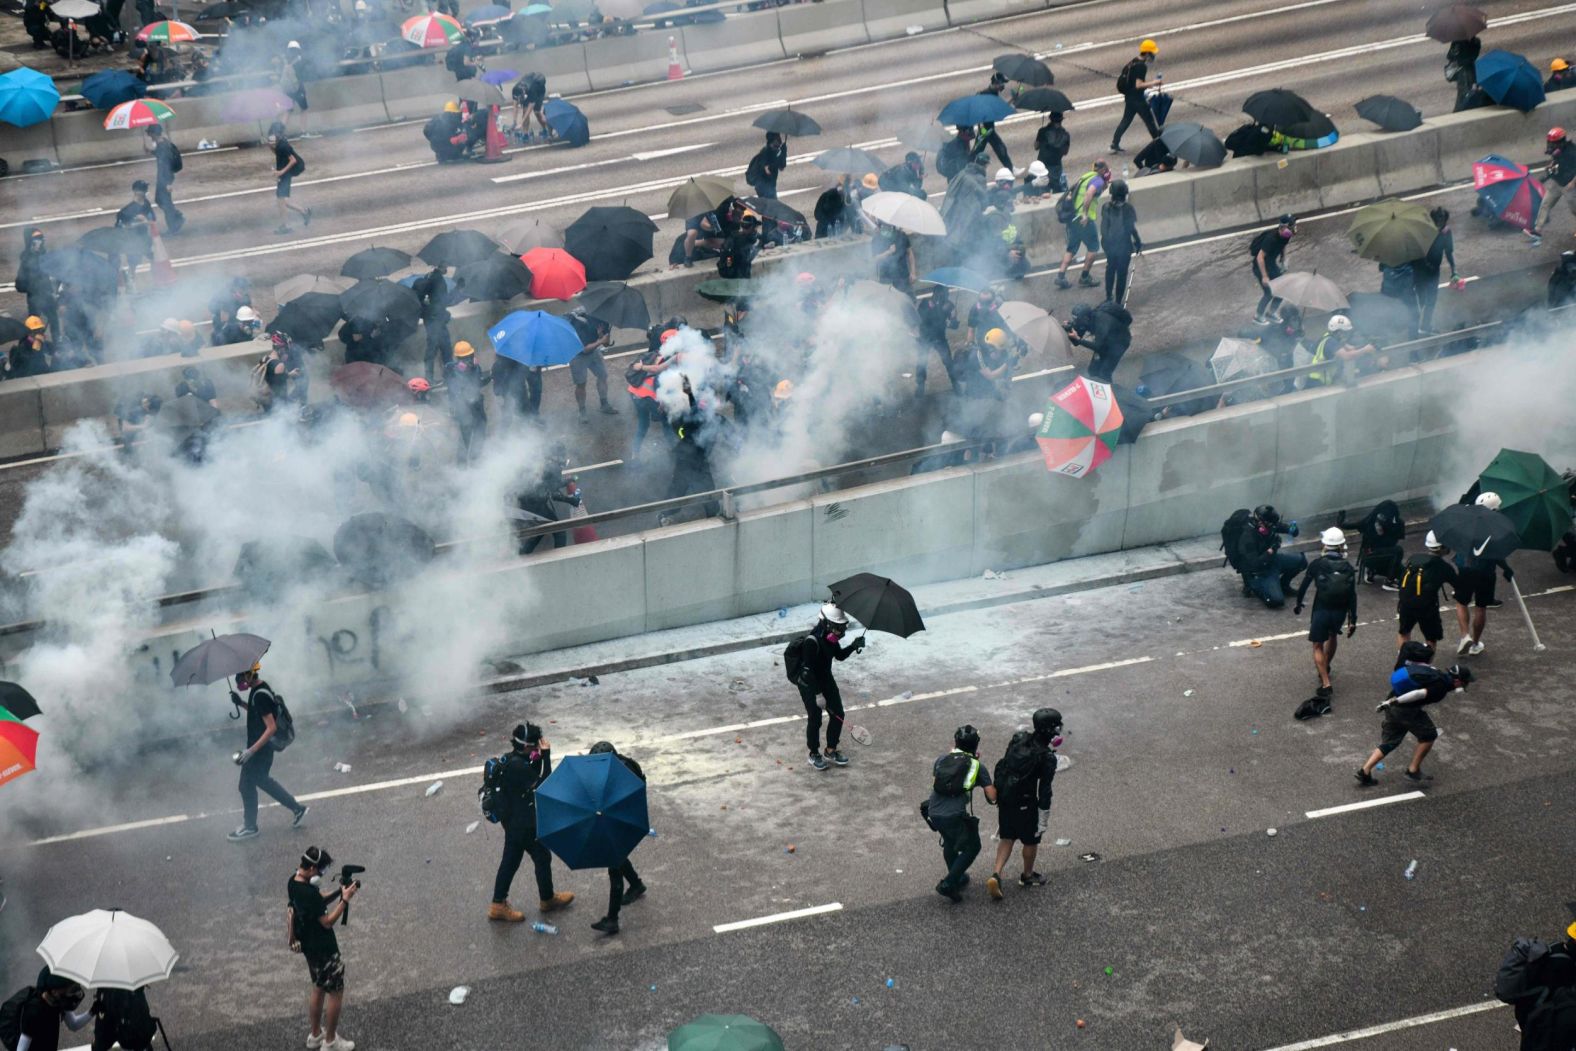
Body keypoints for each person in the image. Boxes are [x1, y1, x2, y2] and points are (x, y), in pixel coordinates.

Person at [490, 722, 575, 921]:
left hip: (513, 821)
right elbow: (544, 783)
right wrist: (546, 755)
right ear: (527, 746)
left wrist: (537, 758)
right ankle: (546, 899)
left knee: (511, 862)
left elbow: (532, 776)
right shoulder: (518, 766)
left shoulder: (513, 759)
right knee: (541, 856)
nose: (537, 748)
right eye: (535, 746)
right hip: (523, 824)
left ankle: (498, 904)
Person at [287, 845, 358, 1051]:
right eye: (321, 870)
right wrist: (344, 900)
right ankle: (330, 1041)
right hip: (324, 948)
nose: (321, 874)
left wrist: (338, 891)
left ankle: (316, 1035)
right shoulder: (308, 892)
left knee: (318, 987)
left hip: (310, 949)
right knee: (336, 991)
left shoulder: (293, 883)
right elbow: (326, 921)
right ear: (311, 868)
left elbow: (317, 901)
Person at [1355, 662, 1472, 785]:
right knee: (1429, 735)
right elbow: (1418, 694)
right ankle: (1413, 770)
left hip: (1392, 701)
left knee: (1390, 741)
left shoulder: (1436, 673)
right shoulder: (1440, 687)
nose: (1465, 685)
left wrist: (1389, 702)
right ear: (1458, 681)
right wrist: (1393, 702)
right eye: (1465, 682)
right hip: (1403, 708)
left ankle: (1365, 771)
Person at [228, 662, 308, 841]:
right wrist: (240, 703)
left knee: (251, 784)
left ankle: (251, 826)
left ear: (249, 675)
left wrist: (251, 751)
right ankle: (296, 809)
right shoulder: (259, 690)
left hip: (260, 750)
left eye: (240, 676)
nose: (238, 680)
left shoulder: (260, 695)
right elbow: (258, 713)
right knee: (255, 783)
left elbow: (271, 727)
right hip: (260, 749)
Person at [985, 708, 1060, 900]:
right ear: (1050, 730)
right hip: (1026, 804)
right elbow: (1044, 789)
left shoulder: (1018, 739)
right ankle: (1027, 875)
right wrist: (1043, 818)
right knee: (1030, 841)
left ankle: (996, 873)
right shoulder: (1046, 757)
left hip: (1006, 799)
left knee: (1007, 838)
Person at [925, 724, 997, 902]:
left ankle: (958, 876)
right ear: (976, 745)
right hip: (954, 815)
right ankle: (948, 883)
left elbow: (939, 781)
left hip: (934, 811)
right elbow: (992, 796)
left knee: (949, 842)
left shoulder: (942, 759)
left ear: (955, 742)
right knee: (973, 846)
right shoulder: (977, 766)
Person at [585, 741, 648, 935]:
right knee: (618, 858)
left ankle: (612, 919)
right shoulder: (622, 766)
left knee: (614, 865)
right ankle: (636, 885)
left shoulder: (621, 775)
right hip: (622, 818)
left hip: (621, 821)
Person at [793, 603, 864, 771]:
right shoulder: (812, 642)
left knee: (838, 713)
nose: (839, 632)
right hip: (810, 684)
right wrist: (818, 694)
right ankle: (814, 753)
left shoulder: (831, 639)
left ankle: (831, 750)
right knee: (815, 718)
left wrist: (854, 646)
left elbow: (838, 656)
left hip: (826, 679)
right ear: (825, 624)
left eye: (841, 628)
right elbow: (807, 672)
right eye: (836, 628)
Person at [1293, 528, 1358, 698]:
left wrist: (1299, 603)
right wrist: (1353, 620)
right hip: (1340, 612)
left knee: (1317, 645)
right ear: (1341, 545)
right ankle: (1326, 666)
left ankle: (1326, 682)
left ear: (1325, 545)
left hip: (1321, 610)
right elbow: (1352, 595)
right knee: (1333, 636)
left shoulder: (1317, 564)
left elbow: (1303, 587)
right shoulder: (1348, 567)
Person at [1454, 490, 1515, 656]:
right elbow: (1497, 554)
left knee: (1461, 602)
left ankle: (1464, 635)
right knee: (1481, 608)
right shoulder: (1497, 526)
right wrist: (1507, 569)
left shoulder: (1465, 520)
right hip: (1486, 571)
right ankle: (1474, 643)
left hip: (1465, 567)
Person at [1396, 531, 1458, 654]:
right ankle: (1425, 666)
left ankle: (1403, 660)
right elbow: (1459, 585)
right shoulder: (1443, 567)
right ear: (1442, 547)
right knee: (1431, 639)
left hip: (1405, 603)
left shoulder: (1413, 559)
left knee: (1404, 632)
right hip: (1427, 607)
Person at [1233, 504, 1305, 608]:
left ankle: (1283, 585)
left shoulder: (1269, 525)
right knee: (1276, 601)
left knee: (1301, 561)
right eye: (1269, 526)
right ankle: (1254, 586)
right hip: (1259, 571)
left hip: (1272, 561)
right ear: (1260, 523)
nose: (1272, 527)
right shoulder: (1247, 537)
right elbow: (1254, 564)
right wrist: (1271, 550)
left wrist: (1293, 529)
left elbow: (1287, 529)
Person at [1054, 160, 1110, 289]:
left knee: (1071, 248)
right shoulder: (1097, 180)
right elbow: (1089, 193)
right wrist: (1085, 214)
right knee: (1093, 248)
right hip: (1084, 220)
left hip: (1072, 218)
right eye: (1106, 170)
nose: (1107, 173)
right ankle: (1084, 277)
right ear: (1102, 171)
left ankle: (1060, 276)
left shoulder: (1086, 177)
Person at [8, 970, 90, 1051]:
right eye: (69, 990)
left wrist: (93, 1011)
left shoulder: (59, 1002)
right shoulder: (34, 1011)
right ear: (54, 992)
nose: (72, 994)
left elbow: (73, 1024)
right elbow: (21, 1048)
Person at [1111, 39, 1163, 152]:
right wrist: (1154, 83)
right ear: (1148, 53)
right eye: (1152, 53)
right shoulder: (1141, 67)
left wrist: (1148, 86)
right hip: (1138, 99)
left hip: (1129, 97)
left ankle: (1114, 143)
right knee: (1149, 121)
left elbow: (1133, 82)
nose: (1153, 55)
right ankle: (1159, 144)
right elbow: (1138, 85)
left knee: (1126, 120)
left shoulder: (1133, 62)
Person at [567, 311, 618, 422]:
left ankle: (604, 404)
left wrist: (601, 336)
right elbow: (584, 349)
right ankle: (582, 411)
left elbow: (605, 343)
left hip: (594, 352)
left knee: (603, 376)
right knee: (581, 384)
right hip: (577, 355)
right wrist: (600, 341)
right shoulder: (579, 322)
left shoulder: (604, 321)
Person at [1412, 206, 1456, 334]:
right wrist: (1425, 264)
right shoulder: (1425, 232)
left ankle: (1425, 326)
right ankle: (1414, 327)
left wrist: (1454, 270)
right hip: (1420, 270)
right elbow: (1418, 251)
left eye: (1442, 221)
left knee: (1431, 300)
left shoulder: (1446, 233)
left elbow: (1449, 252)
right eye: (1438, 220)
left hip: (1434, 271)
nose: (1440, 223)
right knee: (1421, 299)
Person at [444, 341, 489, 464]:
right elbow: (454, 388)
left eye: (470, 357)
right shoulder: (452, 370)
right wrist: (461, 371)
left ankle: (475, 457)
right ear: (458, 359)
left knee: (480, 428)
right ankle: (462, 463)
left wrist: (489, 377)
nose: (469, 360)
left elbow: (478, 383)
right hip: (462, 406)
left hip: (476, 404)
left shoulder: (475, 368)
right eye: (465, 359)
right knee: (465, 433)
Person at [1066, 300, 1132, 383]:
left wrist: (1079, 340)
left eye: (1077, 320)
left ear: (1085, 318)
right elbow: (1076, 343)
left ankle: (1109, 392)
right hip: (1104, 342)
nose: (1076, 323)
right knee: (1092, 370)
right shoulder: (1085, 321)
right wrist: (1069, 329)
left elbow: (1098, 346)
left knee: (1104, 373)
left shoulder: (1102, 320)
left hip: (1119, 343)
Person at [1098, 179, 1142, 304]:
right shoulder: (1128, 208)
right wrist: (1138, 242)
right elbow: (1131, 228)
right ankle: (1118, 301)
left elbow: (1104, 227)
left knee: (1110, 268)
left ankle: (1108, 296)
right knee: (1122, 274)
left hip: (1109, 245)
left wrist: (1106, 244)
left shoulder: (1105, 207)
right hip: (1124, 246)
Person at [1531, 128, 1576, 242]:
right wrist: (1551, 165)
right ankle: (1537, 229)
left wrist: (1572, 183)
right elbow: (1556, 161)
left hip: (1568, 186)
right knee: (1545, 204)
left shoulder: (1572, 152)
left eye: (1553, 142)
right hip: (1557, 182)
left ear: (1560, 141)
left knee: (1574, 210)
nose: (1550, 145)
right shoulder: (1558, 151)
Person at [1250, 214, 1296, 324]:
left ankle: (1271, 313)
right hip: (1260, 267)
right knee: (1269, 293)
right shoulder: (1271, 238)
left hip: (1271, 264)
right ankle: (1258, 316)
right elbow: (1260, 257)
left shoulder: (1286, 235)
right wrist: (1265, 276)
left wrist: (1283, 258)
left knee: (1282, 289)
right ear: (1283, 227)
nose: (1295, 227)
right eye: (1292, 225)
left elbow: (1283, 245)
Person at [1305, 314, 1375, 387]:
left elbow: (1351, 349)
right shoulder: (1330, 342)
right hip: (1317, 383)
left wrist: (1365, 345)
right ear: (1339, 332)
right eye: (1345, 332)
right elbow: (1346, 356)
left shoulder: (1329, 337)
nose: (1347, 335)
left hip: (1319, 381)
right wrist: (1365, 350)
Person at [268, 122, 313, 235]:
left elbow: (293, 160)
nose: (272, 136)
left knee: (281, 201)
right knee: (284, 201)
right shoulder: (279, 144)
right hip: (284, 174)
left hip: (285, 174)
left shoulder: (283, 145)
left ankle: (285, 226)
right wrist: (271, 147)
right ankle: (304, 212)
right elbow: (278, 154)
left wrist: (281, 172)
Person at [1349, 499, 1406, 587]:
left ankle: (1379, 571)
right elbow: (1354, 525)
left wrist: (1386, 531)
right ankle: (1387, 580)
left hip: (1386, 555)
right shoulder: (1371, 521)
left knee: (1404, 574)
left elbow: (1392, 543)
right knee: (1398, 550)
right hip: (1371, 556)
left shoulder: (1397, 524)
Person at [14, 229, 58, 339]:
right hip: (35, 298)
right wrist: (33, 289)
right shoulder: (26, 260)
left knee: (54, 320)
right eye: (37, 239)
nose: (41, 241)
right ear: (30, 242)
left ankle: (57, 342)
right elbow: (20, 285)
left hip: (47, 295)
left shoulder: (43, 254)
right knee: (34, 325)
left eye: (40, 238)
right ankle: (31, 346)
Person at [142, 125, 184, 235]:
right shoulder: (164, 143)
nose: (148, 135)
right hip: (163, 178)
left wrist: (168, 183)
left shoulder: (163, 147)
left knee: (165, 202)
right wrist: (151, 151)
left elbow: (165, 166)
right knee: (162, 201)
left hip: (165, 179)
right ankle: (176, 218)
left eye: (150, 133)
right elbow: (161, 156)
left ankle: (174, 225)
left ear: (154, 134)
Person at [915, 291, 959, 394]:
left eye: (943, 296)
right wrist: (936, 309)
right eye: (938, 296)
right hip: (925, 337)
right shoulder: (925, 303)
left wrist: (953, 319)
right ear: (934, 295)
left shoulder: (949, 305)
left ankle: (955, 383)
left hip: (940, 338)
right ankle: (920, 386)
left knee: (948, 361)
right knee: (922, 362)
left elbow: (954, 326)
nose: (940, 298)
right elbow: (920, 318)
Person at [89, 986, 157, 1051]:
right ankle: (144, 1046)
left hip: (120, 1028)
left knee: (99, 1044)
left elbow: (101, 1025)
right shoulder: (137, 993)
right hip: (132, 1031)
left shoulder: (107, 992)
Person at [871, 221, 915, 295]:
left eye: (889, 225)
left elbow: (910, 253)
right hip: (886, 278)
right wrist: (888, 252)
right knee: (888, 301)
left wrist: (913, 272)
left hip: (903, 276)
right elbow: (875, 259)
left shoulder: (902, 235)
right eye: (884, 225)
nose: (887, 227)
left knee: (907, 299)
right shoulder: (877, 239)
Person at [1034, 111, 1070, 192]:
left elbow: (1036, 147)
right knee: (1058, 191)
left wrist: (1041, 135)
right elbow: (1065, 152)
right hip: (1056, 167)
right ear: (1061, 120)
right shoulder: (1066, 134)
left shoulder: (1043, 131)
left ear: (1050, 119)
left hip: (1042, 166)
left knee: (1043, 191)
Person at [746, 131, 787, 199]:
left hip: (766, 187)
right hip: (765, 187)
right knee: (772, 206)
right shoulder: (767, 153)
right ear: (773, 140)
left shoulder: (773, 151)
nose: (780, 141)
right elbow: (768, 169)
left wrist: (784, 153)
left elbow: (781, 166)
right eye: (778, 138)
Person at [1445, 34, 1481, 111]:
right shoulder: (1476, 42)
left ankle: (1459, 113)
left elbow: (1449, 56)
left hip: (1463, 74)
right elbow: (1473, 57)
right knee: (1469, 95)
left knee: (1463, 96)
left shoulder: (1457, 42)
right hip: (1471, 72)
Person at [512, 72, 549, 141]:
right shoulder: (515, 89)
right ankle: (526, 134)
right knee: (524, 111)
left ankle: (545, 129)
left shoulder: (532, 91)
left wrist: (521, 123)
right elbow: (515, 106)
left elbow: (529, 110)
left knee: (537, 112)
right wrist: (514, 121)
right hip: (527, 90)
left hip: (538, 92)